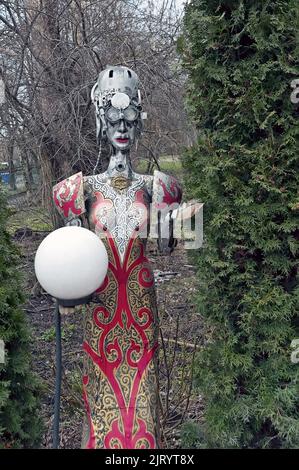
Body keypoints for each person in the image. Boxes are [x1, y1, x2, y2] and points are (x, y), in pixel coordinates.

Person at [53, 66, 197, 449]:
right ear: (100, 119)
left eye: (129, 117)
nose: (121, 126)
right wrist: (64, 290)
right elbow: (67, 261)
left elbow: (166, 247)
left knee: (142, 399)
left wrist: (177, 221)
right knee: (99, 396)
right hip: (100, 310)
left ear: (139, 122)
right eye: (113, 117)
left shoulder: (158, 186)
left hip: (139, 308)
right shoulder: (79, 189)